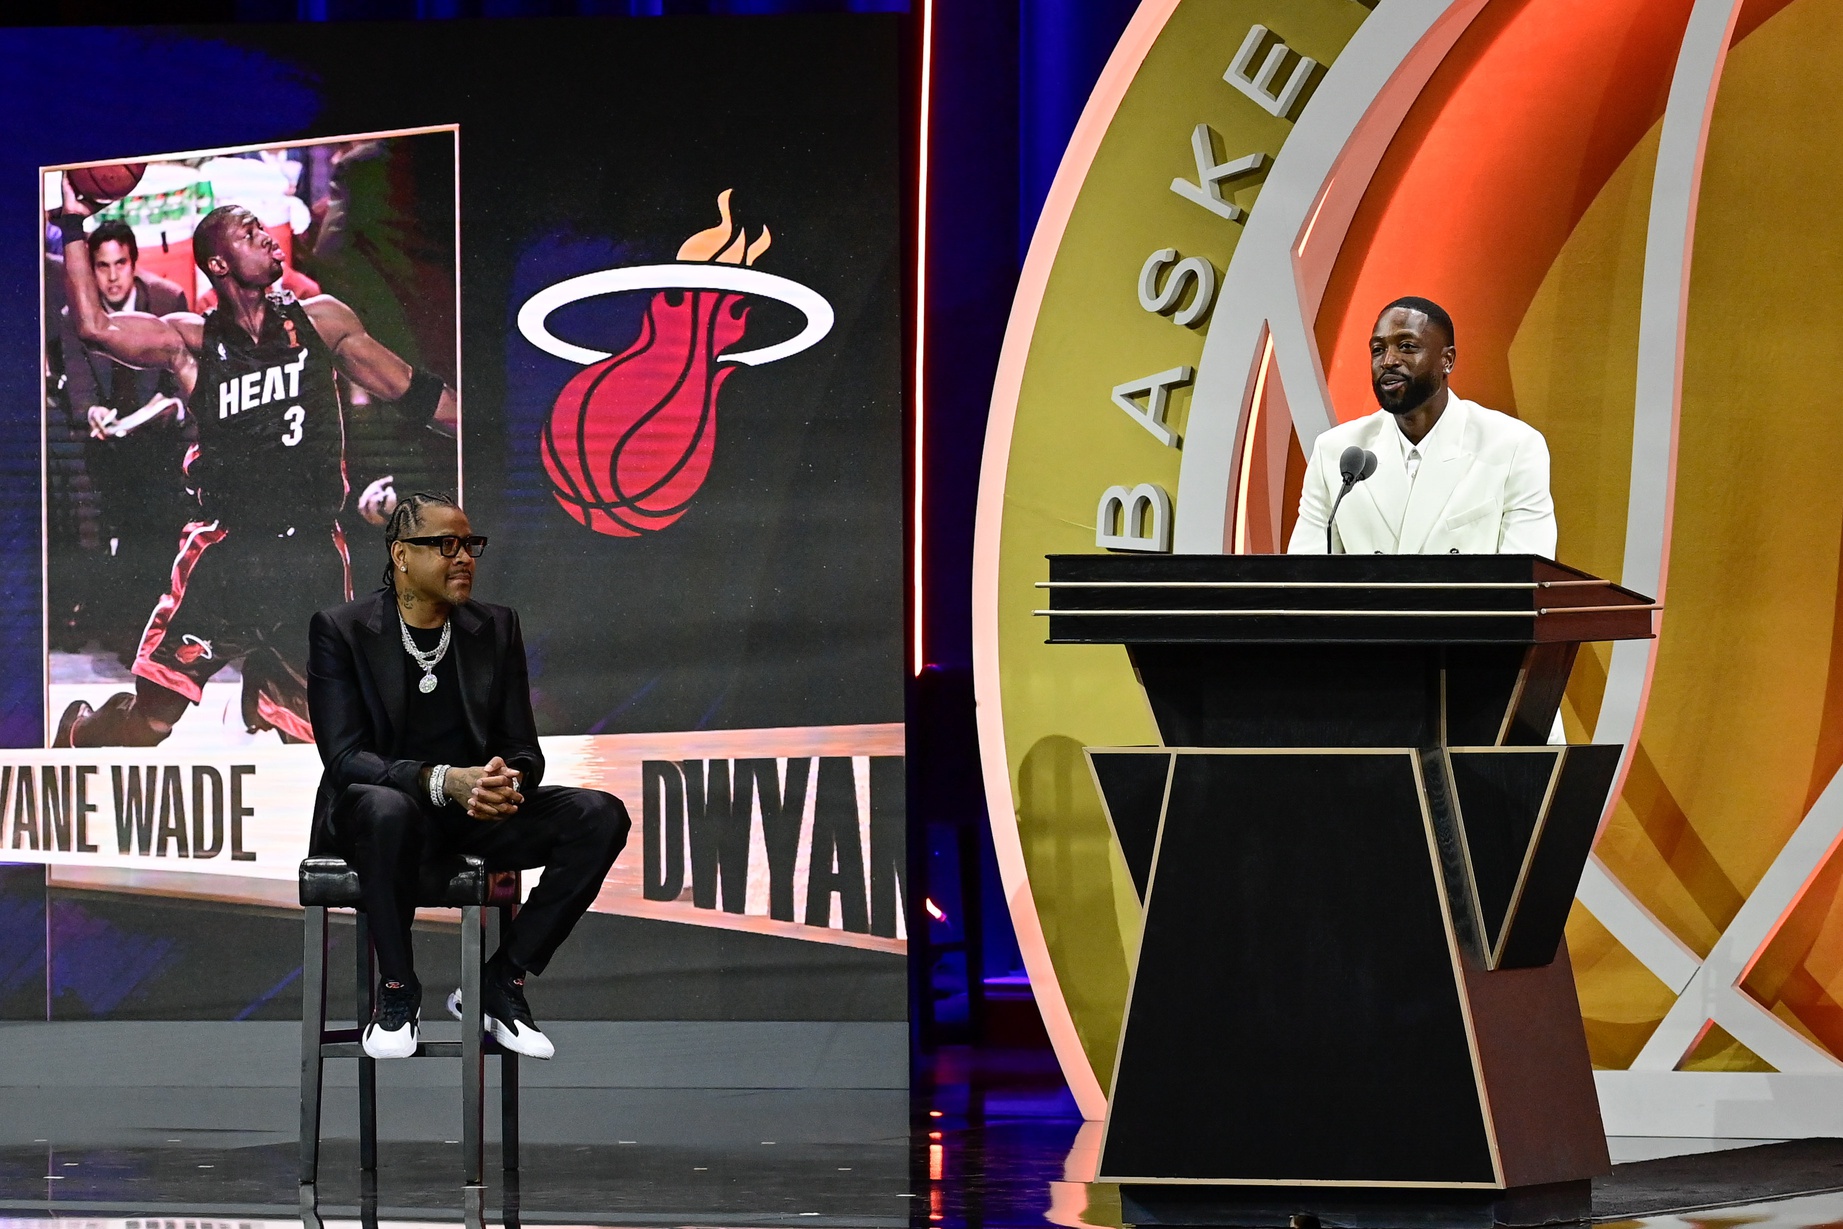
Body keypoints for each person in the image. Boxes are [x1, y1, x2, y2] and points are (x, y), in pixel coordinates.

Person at [50, 175, 457, 747]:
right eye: (250, 232)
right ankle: (81, 734)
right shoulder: (192, 342)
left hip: (312, 551)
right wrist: (72, 222)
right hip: (229, 553)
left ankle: (267, 689)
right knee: (155, 717)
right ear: (218, 263)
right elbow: (96, 328)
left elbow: (413, 392)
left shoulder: (322, 320)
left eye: (264, 229)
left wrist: (492, 433)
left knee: (323, 736)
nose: (267, 238)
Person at [307, 492, 631, 1059]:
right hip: (375, 818)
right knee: (387, 808)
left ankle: (501, 983)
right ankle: (398, 990)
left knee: (599, 815)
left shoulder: (496, 627)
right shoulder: (343, 630)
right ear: (402, 554)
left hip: (469, 817)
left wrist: (507, 781)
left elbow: (522, 747)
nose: (464, 558)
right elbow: (344, 756)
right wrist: (440, 780)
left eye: (470, 545)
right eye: (446, 545)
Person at [1288, 296, 1557, 556]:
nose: (1388, 361)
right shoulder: (1337, 452)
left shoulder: (1513, 447)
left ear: (1447, 360)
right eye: (1378, 350)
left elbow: (1525, 582)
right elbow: (1303, 580)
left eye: (1406, 346)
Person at [58, 220, 193, 649]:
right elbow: (80, 389)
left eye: (121, 264)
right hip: (108, 443)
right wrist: (92, 410)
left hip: (162, 438)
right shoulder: (75, 315)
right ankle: (118, 617)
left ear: (134, 264)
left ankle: (151, 618)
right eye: (101, 266)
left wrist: (171, 406)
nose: (112, 276)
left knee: (156, 499)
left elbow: (183, 378)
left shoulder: (167, 300)